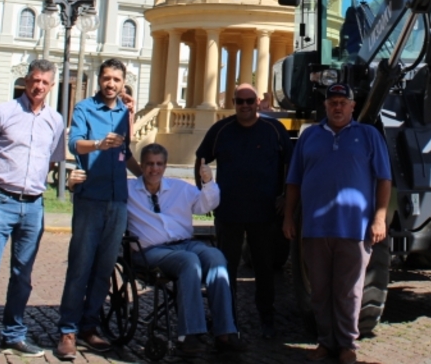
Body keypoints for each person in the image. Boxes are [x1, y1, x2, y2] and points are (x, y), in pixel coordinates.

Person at [0, 59, 67, 362]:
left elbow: (52, 159)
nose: (39, 87)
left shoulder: (55, 120)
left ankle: (13, 335)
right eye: (35, 80)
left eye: (45, 83)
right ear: (26, 80)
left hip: (34, 205)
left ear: (51, 85)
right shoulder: (3, 113)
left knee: (23, 275)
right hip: (0, 200)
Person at [283, 84, 391, 364]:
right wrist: (288, 216)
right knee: (319, 290)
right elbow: (293, 180)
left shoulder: (368, 136)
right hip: (315, 229)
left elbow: (384, 179)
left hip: (354, 229)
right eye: (333, 103)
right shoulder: (310, 137)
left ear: (353, 106)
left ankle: (347, 344)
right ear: (326, 106)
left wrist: (380, 217)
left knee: (349, 291)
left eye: (343, 102)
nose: (338, 107)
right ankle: (324, 342)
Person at [55, 59, 142, 360]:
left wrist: (146, 175)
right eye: (107, 78)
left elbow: (125, 152)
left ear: (123, 82)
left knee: (104, 269)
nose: (111, 84)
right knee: (80, 266)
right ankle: (68, 330)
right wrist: (98, 144)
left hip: (118, 201)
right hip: (90, 198)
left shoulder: (124, 112)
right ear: (100, 80)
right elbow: (74, 144)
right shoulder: (85, 109)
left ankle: (90, 327)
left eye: (117, 80)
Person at [128, 143, 247, 355]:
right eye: (149, 164)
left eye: (159, 164)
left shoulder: (179, 188)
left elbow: (206, 205)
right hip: (151, 252)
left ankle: (225, 332)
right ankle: (190, 334)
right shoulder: (128, 190)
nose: (154, 169)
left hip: (185, 243)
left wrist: (208, 182)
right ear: (142, 165)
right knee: (188, 261)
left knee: (216, 257)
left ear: (165, 166)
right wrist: (76, 184)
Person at [194, 83, 290, 339]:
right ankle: (226, 320)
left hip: (265, 213)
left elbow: (292, 164)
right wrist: (205, 197)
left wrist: (286, 196)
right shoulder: (221, 130)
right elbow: (201, 160)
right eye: (240, 101)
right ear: (234, 103)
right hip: (229, 214)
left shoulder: (273, 129)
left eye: (249, 101)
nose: (245, 106)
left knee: (264, 269)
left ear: (258, 102)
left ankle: (267, 319)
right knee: (226, 269)